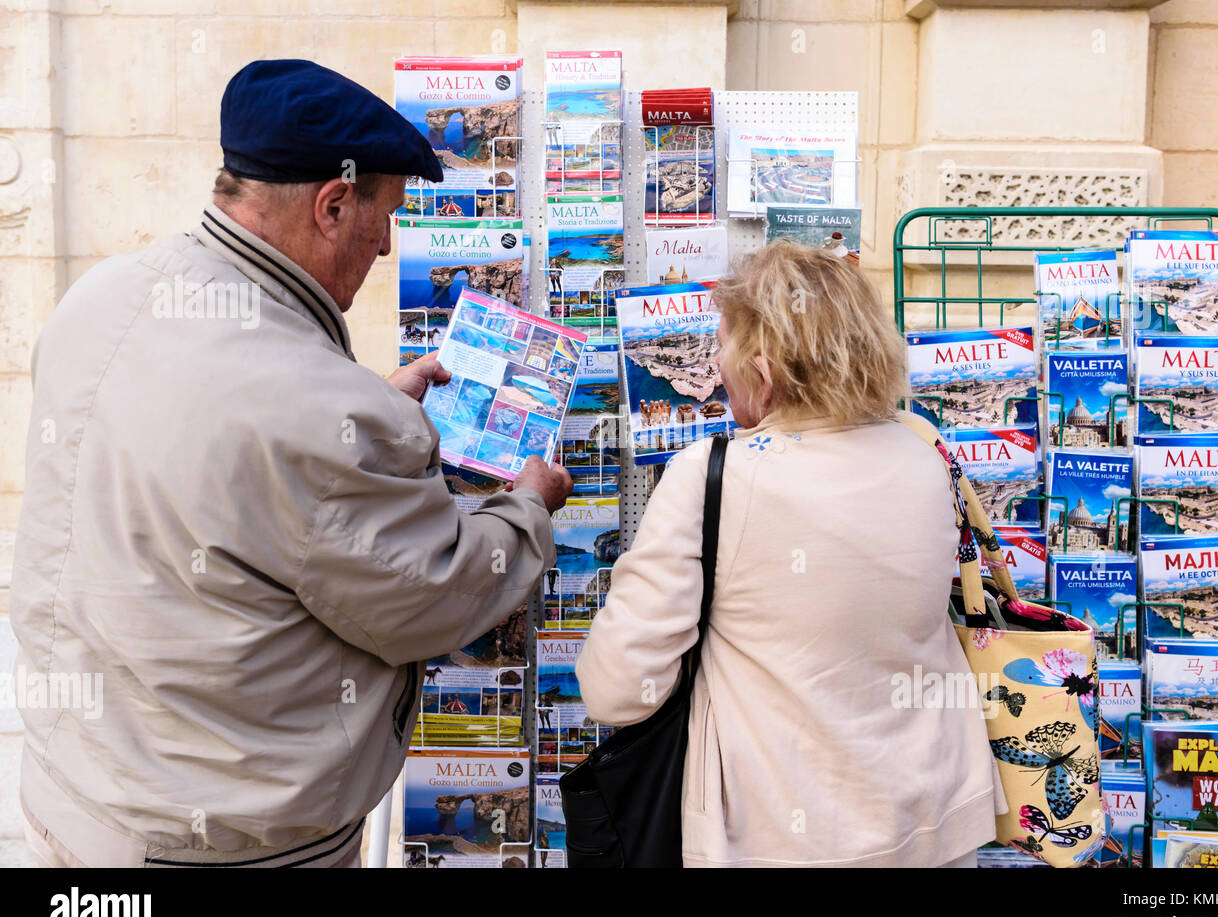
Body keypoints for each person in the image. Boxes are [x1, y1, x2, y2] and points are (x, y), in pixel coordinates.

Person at [12, 59, 571, 868]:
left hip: (70, 797)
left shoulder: (105, 293)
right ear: (333, 205)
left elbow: (227, 455)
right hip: (213, 843)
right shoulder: (314, 409)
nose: (387, 242)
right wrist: (525, 505)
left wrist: (361, 422)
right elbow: (436, 594)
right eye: (385, 215)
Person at [575, 242, 1002, 867]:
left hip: (773, 837)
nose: (715, 365)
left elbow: (616, 691)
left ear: (765, 372)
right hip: (930, 826)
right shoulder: (927, 455)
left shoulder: (711, 476)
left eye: (721, 345)